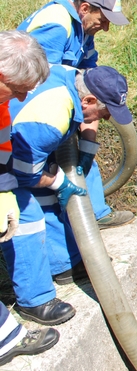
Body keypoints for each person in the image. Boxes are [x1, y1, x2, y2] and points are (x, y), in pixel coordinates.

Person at [2, 64, 133, 326]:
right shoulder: (52, 118)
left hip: (17, 143)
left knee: (48, 199)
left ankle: (64, 263)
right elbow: (24, 173)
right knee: (28, 214)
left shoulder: (71, 74)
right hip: (7, 158)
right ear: (88, 100)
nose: (106, 119)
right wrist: (60, 181)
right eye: (105, 111)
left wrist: (86, 150)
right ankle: (35, 299)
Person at [18, 0, 133, 229]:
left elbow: (91, 89)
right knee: (42, 172)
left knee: (81, 154)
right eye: (103, 20)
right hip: (29, 112)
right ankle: (69, 226)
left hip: (61, 104)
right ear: (84, 8)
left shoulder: (84, 34)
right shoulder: (56, 25)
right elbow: (39, 83)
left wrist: (89, 149)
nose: (106, 27)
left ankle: (96, 213)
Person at [0, 30, 59, 364]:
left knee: (30, 215)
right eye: (18, 90)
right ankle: (6, 338)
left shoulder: (1, 101)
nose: (21, 99)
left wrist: (5, 189)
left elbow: (1, 150)